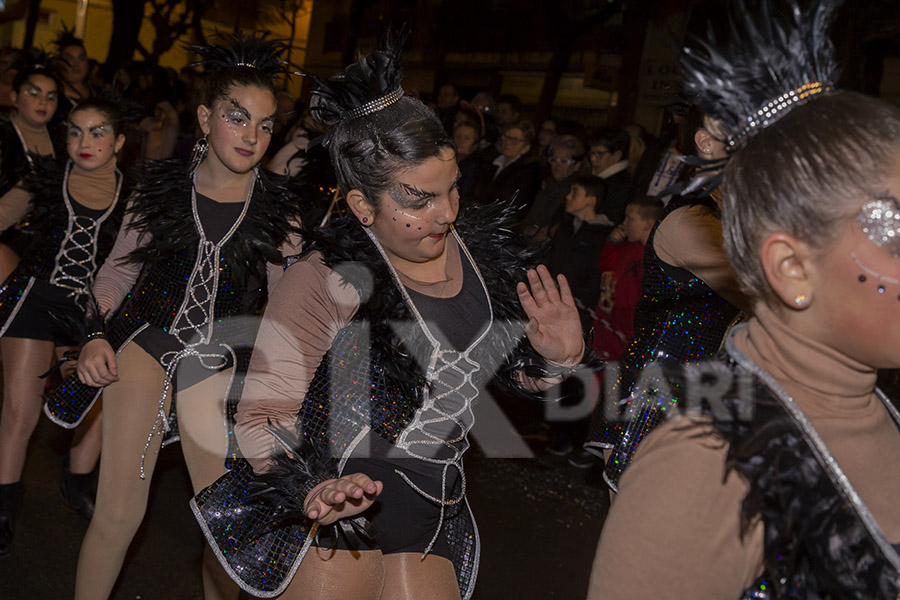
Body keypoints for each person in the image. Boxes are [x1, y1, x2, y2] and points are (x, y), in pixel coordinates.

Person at [190, 31, 589, 600]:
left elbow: (497, 372)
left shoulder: (480, 255)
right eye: (417, 200)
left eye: (451, 189)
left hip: (434, 509)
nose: (445, 214)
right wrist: (311, 488)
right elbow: (262, 417)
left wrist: (556, 361)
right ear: (362, 207)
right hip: (334, 512)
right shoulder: (323, 277)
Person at [589, 1, 900, 597]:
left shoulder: (882, 418)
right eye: (892, 232)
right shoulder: (712, 469)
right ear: (789, 267)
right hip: (664, 393)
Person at [43, 32, 303, 600]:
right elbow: (114, 275)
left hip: (217, 360)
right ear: (206, 118)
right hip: (146, 340)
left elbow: (290, 311)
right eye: (238, 118)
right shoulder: (158, 188)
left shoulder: (280, 211)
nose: (253, 137)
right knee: (117, 513)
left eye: (265, 125)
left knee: (226, 527)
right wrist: (91, 336)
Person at [584, 100, 746, 490]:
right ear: (706, 142)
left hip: (707, 394)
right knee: (648, 545)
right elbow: (768, 296)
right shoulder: (691, 220)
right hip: (653, 400)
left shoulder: (732, 219)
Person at [0, 94, 130, 557]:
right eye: (75, 131)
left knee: (97, 397)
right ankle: (4, 505)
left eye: (97, 132)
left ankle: (76, 478)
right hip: (35, 299)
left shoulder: (134, 196)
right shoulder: (44, 178)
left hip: (90, 316)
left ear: (119, 141)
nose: (84, 142)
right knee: (20, 409)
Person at [0, 50, 64, 280]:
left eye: (51, 96)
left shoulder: (67, 142)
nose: (43, 102)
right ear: (15, 97)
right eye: (34, 93)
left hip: (50, 249)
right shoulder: (3, 138)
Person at [588, 127, 633, 225]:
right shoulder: (591, 175)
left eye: (600, 153)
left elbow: (612, 219)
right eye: (592, 152)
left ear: (616, 156)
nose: (593, 158)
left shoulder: (623, 185)